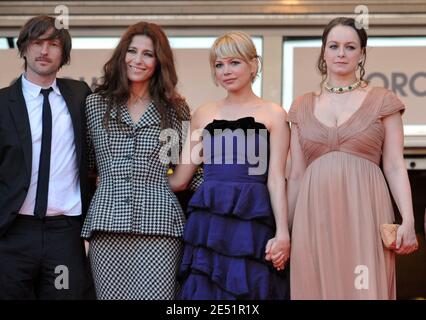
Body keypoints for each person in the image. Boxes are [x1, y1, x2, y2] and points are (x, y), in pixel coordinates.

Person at [287, 17, 418, 300]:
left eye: (350, 46)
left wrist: (408, 219)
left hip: (365, 211)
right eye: (333, 46)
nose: (341, 53)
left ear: (361, 53)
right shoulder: (300, 105)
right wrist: (284, 230)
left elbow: (395, 165)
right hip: (313, 216)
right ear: (323, 51)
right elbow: (296, 174)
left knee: (364, 288)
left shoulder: (383, 100)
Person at [81, 21, 201, 300]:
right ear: (122, 55)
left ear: (159, 61)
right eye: (132, 51)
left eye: (148, 54)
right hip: (107, 225)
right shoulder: (95, 104)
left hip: (161, 226)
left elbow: (185, 166)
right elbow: (86, 165)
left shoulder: (175, 109)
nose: (138, 60)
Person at [168, 31, 290, 300]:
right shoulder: (202, 113)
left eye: (234, 62)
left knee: (253, 291)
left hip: (254, 223)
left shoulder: (274, 114)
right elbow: (180, 180)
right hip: (209, 224)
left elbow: (276, 178)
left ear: (253, 65)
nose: (226, 71)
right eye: (219, 65)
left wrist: (283, 233)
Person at [0, 15, 94, 299]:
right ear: (24, 48)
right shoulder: (2, 103)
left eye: (53, 44)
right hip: (12, 233)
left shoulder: (80, 96)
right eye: (37, 42)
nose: (44, 51)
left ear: (63, 54)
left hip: (63, 235)